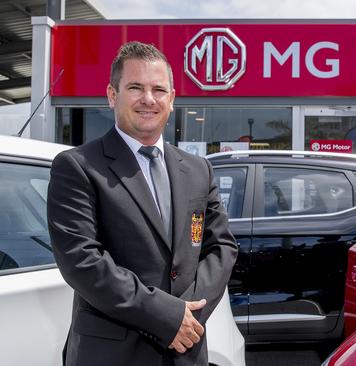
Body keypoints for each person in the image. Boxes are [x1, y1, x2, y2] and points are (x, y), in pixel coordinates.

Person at [47, 41, 238, 366]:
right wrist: (166, 317)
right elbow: (81, 261)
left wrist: (186, 315)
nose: (148, 99)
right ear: (112, 95)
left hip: (186, 351)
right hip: (112, 355)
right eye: (135, 87)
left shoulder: (198, 169)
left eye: (158, 89)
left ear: (172, 99)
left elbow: (222, 247)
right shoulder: (77, 166)